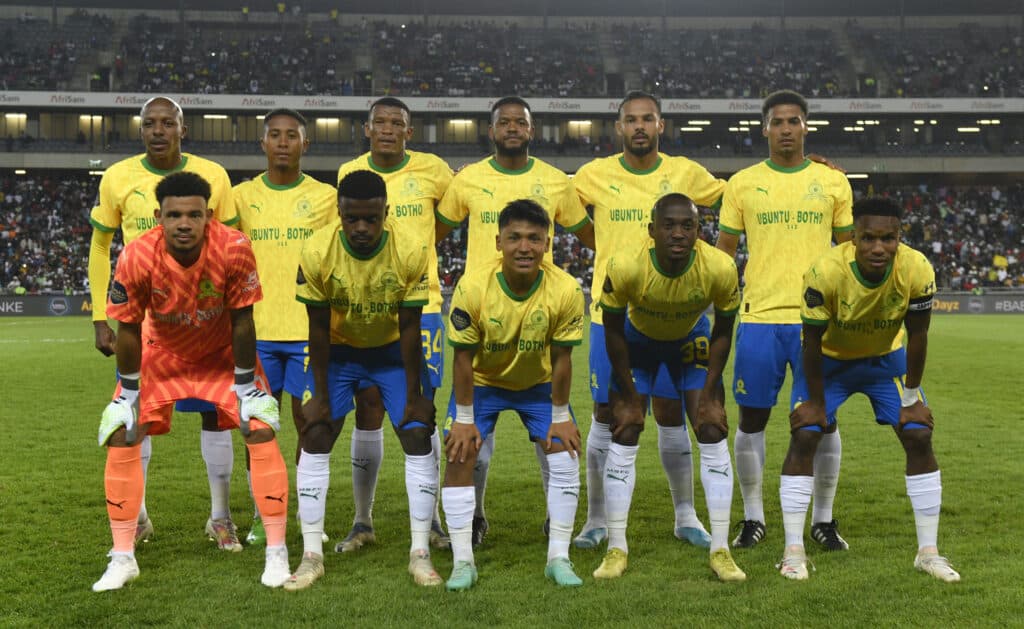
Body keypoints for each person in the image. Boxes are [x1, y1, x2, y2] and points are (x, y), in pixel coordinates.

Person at [92, 171, 291, 592]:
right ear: (158, 217)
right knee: (122, 432)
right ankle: (123, 556)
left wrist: (244, 386)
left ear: (209, 215)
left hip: (220, 354)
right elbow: (127, 328)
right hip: (161, 354)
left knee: (260, 428)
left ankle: (277, 552)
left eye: (194, 214)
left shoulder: (234, 249)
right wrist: (127, 393)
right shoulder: (137, 256)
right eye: (174, 214)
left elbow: (243, 319)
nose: (184, 223)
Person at [436, 95, 594, 546]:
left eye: (519, 122)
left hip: (535, 327)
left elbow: (591, 235)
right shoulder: (468, 179)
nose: (511, 128)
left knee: (558, 448)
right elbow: (432, 233)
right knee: (472, 453)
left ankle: (556, 523)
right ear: (491, 131)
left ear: (531, 129)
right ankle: (474, 518)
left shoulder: (555, 182)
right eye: (503, 122)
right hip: (482, 320)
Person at [87, 96, 244, 551]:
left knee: (217, 417)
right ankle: (137, 518)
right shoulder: (118, 176)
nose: (158, 130)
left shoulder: (213, 175)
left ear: (183, 128)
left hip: (207, 319)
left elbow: (231, 244)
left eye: (167, 123)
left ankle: (220, 517)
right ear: (141, 130)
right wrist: (101, 316)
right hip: (145, 322)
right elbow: (101, 247)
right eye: (149, 123)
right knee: (135, 414)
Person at [573, 91, 725, 551]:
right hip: (612, 315)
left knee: (671, 411)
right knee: (609, 413)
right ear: (618, 127)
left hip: (679, 313)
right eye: (630, 120)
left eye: (648, 119)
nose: (639, 126)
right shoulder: (593, 175)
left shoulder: (686, 173)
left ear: (661, 126)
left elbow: (734, 196)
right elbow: (568, 217)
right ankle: (596, 519)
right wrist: (606, 251)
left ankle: (686, 516)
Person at [780, 196, 959, 583]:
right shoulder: (824, 271)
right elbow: (810, 341)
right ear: (852, 238)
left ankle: (928, 553)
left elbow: (919, 335)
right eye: (868, 238)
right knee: (806, 433)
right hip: (828, 360)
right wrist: (814, 401)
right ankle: (792, 551)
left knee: (919, 435)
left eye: (888, 238)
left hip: (884, 360)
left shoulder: (917, 268)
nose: (878, 248)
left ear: (899, 237)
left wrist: (911, 399)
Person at [285, 169, 440, 591]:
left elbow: (410, 327)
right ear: (339, 212)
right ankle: (311, 556)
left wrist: (414, 393)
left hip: (391, 351)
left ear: (386, 212)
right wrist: (317, 392)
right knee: (315, 432)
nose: (362, 228)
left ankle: (420, 553)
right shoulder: (317, 250)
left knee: (415, 430)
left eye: (371, 219)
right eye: (352, 218)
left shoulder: (409, 249)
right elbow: (316, 327)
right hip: (337, 352)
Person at [716, 89, 853, 550]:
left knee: (823, 421)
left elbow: (850, 252)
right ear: (765, 129)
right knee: (751, 419)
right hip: (759, 318)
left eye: (794, 121)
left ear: (805, 127)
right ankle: (753, 517)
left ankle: (825, 519)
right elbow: (724, 257)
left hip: (818, 322)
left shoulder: (833, 182)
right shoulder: (742, 183)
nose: (786, 129)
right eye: (778, 122)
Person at [594, 193, 744, 582]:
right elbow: (612, 331)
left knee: (712, 427)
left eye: (688, 225)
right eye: (669, 225)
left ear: (699, 230)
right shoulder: (627, 264)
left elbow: (725, 332)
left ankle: (722, 549)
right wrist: (627, 394)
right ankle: (616, 546)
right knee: (625, 428)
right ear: (651, 231)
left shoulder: (720, 267)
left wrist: (711, 394)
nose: (678, 233)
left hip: (689, 339)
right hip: (638, 342)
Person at [441, 199, 586, 591]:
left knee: (565, 449)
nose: (525, 247)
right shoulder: (472, 286)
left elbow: (562, 360)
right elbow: (462, 358)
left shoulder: (565, 289)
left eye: (535, 239)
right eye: (515, 238)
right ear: (498, 242)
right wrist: (465, 421)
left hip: (538, 385)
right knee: (459, 452)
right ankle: (462, 562)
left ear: (547, 243)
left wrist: (560, 416)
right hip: (482, 383)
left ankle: (558, 557)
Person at [335, 97, 453, 553]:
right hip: (365, 305)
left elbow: (444, 220)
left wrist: (417, 251)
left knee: (420, 409)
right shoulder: (350, 172)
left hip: (421, 306)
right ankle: (362, 521)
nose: (387, 129)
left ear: (409, 130)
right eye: (379, 122)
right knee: (367, 406)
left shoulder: (433, 169)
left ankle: (435, 520)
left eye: (396, 123)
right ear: (367, 129)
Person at [234, 108, 337, 544]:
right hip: (254, 331)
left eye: (290, 136)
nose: (282, 142)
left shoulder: (326, 197)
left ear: (304, 144)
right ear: (262, 143)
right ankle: (264, 510)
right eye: (273, 135)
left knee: (310, 422)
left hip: (307, 330)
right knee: (258, 426)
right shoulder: (241, 197)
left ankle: (302, 510)